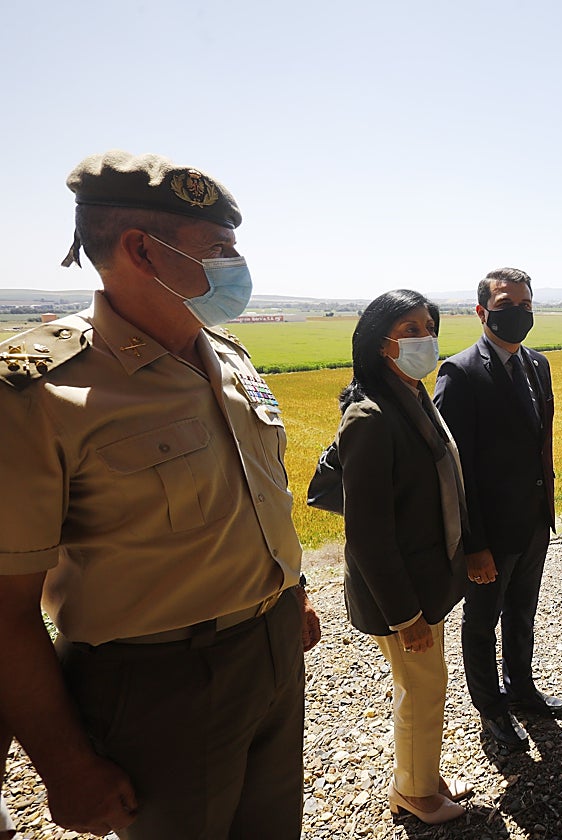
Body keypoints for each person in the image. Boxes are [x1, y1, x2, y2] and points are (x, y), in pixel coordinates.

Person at [0, 151, 321, 839]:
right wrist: (65, 767)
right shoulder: (39, 392)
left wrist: (290, 592)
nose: (236, 266)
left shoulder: (226, 356)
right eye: (219, 249)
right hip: (158, 685)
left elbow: (262, 492)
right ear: (141, 250)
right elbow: (5, 611)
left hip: (269, 650)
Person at [335, 290, 470, 825]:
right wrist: (405, 615)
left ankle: (419, 772)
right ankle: (416, 793)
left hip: (424, 581)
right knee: (423, 688)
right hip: (403, 594)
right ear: (379, 340)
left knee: (421, 684)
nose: (424, 337)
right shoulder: (370, 417)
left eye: (428, 326)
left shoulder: (414, 398)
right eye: (409, 328)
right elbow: (367, 533)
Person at [433, 267, 562, 751]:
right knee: (481, 620)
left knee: (523, 613)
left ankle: (522, 688)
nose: (520, 313)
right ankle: (491, 709)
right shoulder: (460, 373)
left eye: (526, 304)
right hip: (489, 532)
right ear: (481, 311)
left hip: (533, 522)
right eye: (508, 304)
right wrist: (474, 545)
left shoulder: (538, 365)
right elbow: (453, 469)